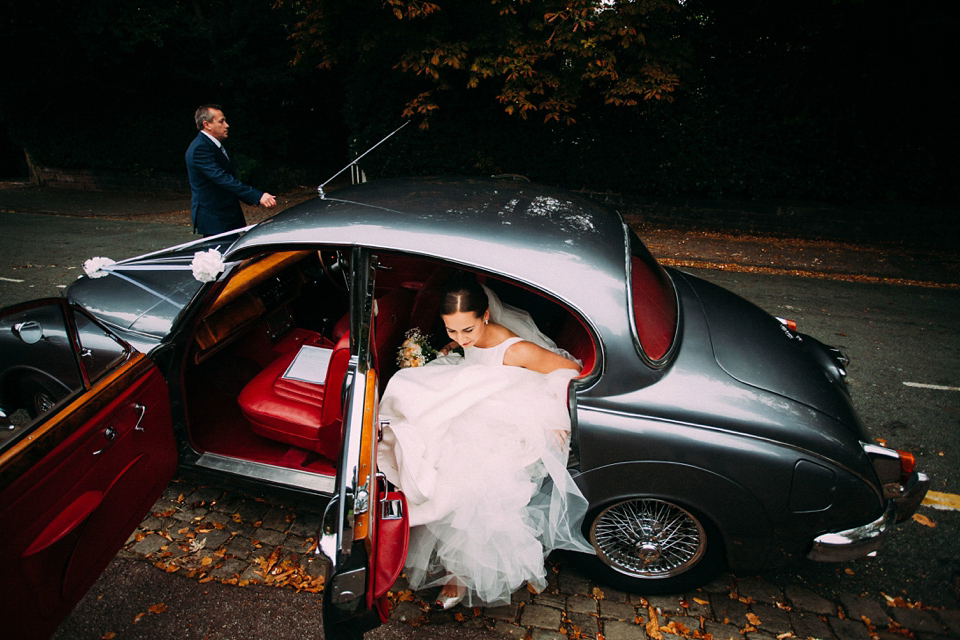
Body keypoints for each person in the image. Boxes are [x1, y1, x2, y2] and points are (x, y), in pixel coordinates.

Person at [377, 274, 592, 611]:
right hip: (475, 399)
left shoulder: (516, 349)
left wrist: (552, 416)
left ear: (486, 316)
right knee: (414, 406)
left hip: (506, 419)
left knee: (467, 483)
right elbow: (470, 356)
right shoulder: (464, 341)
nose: (461, 338)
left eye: (468, 330)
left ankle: (459, 576)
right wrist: (453, 347)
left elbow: (572, 370)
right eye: (452, 330)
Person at [185, 104, 277, 236]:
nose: (227, 125)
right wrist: (257, 196)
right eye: (221, 121)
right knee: (220, 255)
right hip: (215, 219)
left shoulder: (211, 145)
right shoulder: (200, 149)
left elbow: (227, 179)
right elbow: (223, 179)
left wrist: (251, 199)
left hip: (226, 216)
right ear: (207, 125)